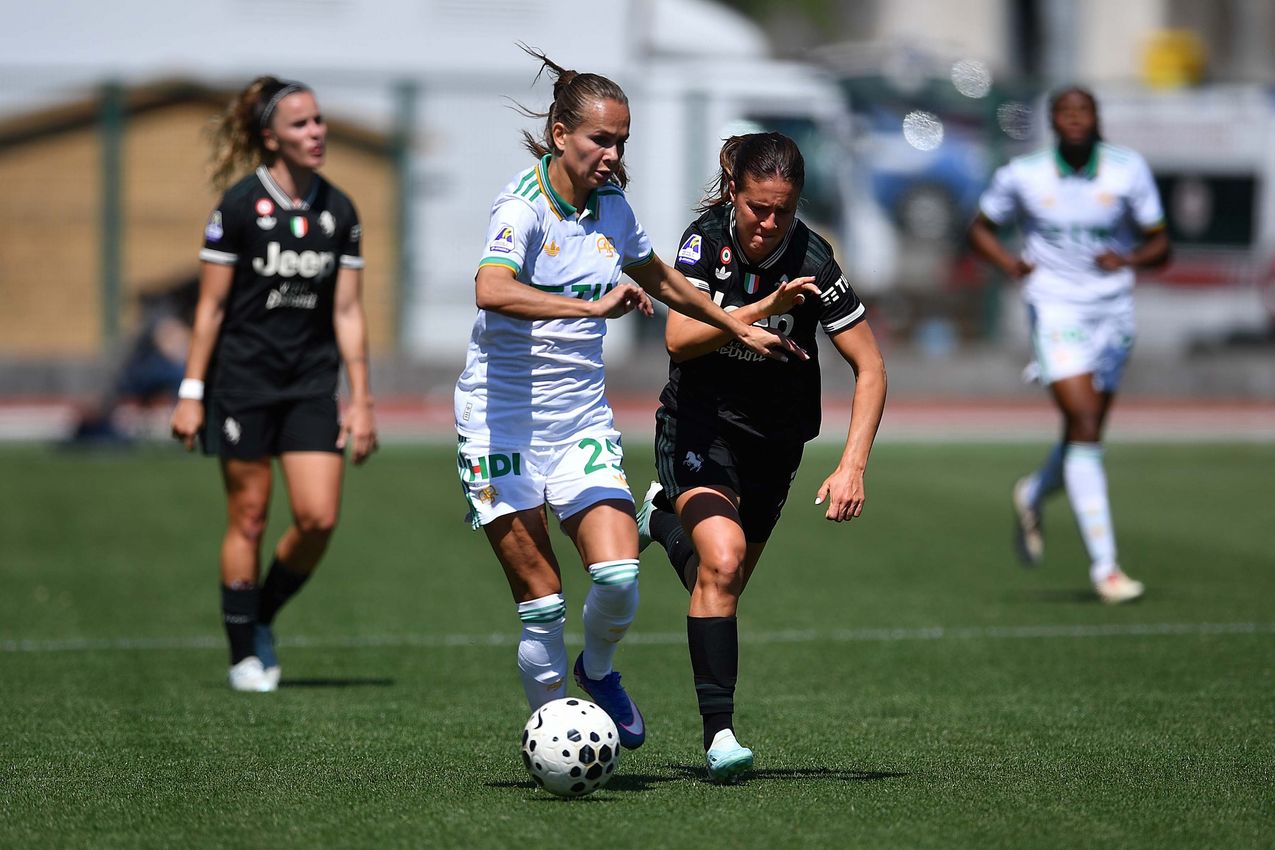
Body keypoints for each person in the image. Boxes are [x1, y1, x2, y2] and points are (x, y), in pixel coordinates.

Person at [453, 48, 801, 750]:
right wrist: (588, 312)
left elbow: (661, 277)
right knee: (543, 604)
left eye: (621, 141)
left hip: (577, 415)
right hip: (499, 423)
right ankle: (551, 738)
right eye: (600, 139)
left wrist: (737, 322)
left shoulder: (611, 207)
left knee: (616, 577)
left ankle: (600, 669)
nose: (612, 154)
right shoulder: (520, 209)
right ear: (560, 135)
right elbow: (489, 288)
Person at [634, 132, 887, 782]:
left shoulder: (813, 258)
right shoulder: (705, 242)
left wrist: (852, 464)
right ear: (735, 195)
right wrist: (760, 309)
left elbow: (869, 366)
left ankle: (659, 521)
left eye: (781, 209)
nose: (767, 223)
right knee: (722, 562)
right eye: (756, 208)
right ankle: (719, 737)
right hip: (700, 424)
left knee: (719, 582)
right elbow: (678, 338)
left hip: (776, 441)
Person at [170, 76, 378, 692]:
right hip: (242, 383)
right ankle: (243, 652)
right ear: (270, 138)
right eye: (300, 124)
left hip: (311, 385)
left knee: (317, 518)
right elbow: (208, 310)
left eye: (318, 121)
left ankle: (258, 615)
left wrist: (362, 401)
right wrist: (190, 392)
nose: (316, 132)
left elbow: (347, 312)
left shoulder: (340, 210)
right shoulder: (237, 207)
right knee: (251, 517)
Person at [968, 86, 1170, 604]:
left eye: (1084, 112)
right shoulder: (1024, 174)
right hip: (1055, 308)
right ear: (1054, 121)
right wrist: (1011, 264)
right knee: (1082, 425)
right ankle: (1106, 570)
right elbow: (980, 229)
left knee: (1088, 432)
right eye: (1065, 113)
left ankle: (1033, 492)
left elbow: (1160, 242)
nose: (1076, 120)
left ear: (1097, 120)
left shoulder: (1127, 169)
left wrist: (1128, 261)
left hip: (1112, 312)